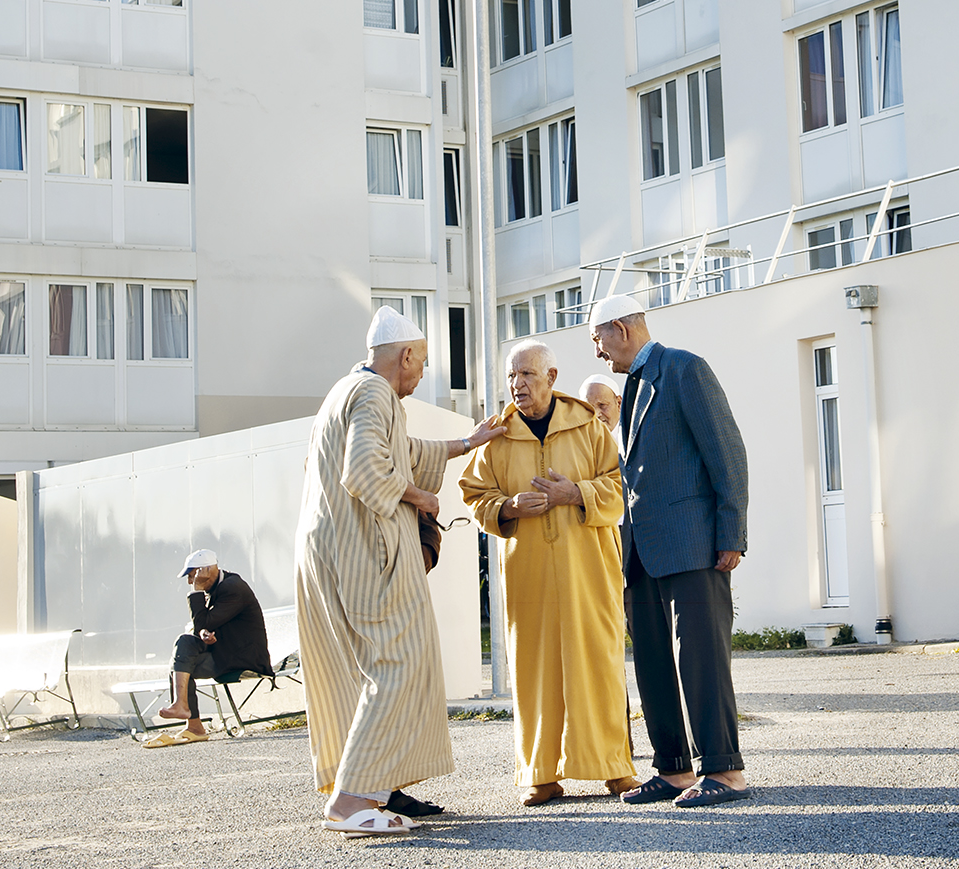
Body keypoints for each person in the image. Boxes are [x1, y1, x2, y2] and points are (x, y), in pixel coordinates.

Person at [295, 307, 506, 835]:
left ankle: (371, 786)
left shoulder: (346, 390)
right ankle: (351, 801)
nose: (421, 374)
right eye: (423, 362)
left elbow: (401, 451)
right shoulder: (374, 395)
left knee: (363, 670)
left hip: (329, 550)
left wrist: (467, 442)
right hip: (364, 553)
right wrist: (423, 498)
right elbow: (366, 470)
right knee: (398, 663)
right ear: (406, 355)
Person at [459, 339, 639, 806]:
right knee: (533, 667)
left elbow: (621, 486)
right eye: (511, 377)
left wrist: (575, 493)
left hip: (588, 569)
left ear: (552, 378)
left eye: (527, 376)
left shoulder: (588, 425)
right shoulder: (497, 435)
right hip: (528, 572)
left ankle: (613, 766)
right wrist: (508, 506)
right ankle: (539, 773)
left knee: (598, 662)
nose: (517, 385)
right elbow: (475, 494)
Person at [590, 292, 752, 808]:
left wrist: (732, 534)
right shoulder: (632, 386)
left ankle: (725, 771)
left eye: (598, 339)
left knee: (700, 659)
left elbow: (728, 454)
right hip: (642, 551)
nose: (597, 352)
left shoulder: (684, 369)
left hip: (693, 544)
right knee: (653, 663)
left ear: (621, 327)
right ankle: (674, 769)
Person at [144, 548, 272, 747]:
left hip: (244, 657)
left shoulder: (233, 587)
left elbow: (206, 621)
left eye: (192, 576)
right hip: (224, 652)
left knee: (181, 663)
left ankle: (189, 717)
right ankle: (189, 717)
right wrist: (204, 633)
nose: (190, 582)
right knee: (182, 654)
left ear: (206, 570)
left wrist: (196, 591)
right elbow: (203, 626)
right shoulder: (215, 588)